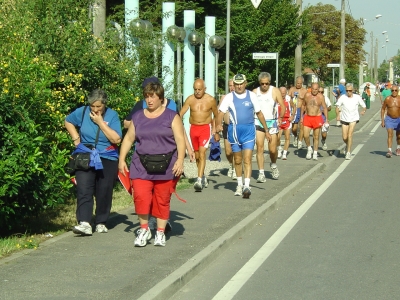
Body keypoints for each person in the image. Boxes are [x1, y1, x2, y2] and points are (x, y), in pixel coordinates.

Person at [118, 83, 186, 247]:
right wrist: (121, 159)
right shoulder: (139, 116)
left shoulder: (171, 116)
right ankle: (144, 229)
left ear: (161, 98)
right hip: (141, 164)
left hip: (166, 164)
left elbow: (180, 140)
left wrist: (180, 160)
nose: (149, 100)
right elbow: (128, 139)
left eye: (153, 96)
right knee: (141, 197)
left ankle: (160, 232)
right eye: (147, 96)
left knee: (162, 199)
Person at [65, 89, 122, 235]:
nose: (95, 109)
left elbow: (116, 139)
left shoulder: (112, 115)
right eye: (93, 106)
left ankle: (101, 221)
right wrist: (76, 139)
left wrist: (100, 123)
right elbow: (68, 121)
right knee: (84, 188)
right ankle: (84, 222)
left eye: (99, 106)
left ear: (105, 104)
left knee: (104, 190)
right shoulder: (82, 112)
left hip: (107, 157)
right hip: (85, 155)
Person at [216, 73, 270, 198]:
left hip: (248, 131)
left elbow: (259, 113)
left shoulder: (252, 96)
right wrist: (217, 126)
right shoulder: (229, 97)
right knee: (238, 160)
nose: (239, 86)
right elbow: (220, 113)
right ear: (233, 85)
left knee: (247, 159)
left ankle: (247, 185)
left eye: (241, 84)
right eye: (237, 84)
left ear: (245, 83)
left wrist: (266, 129)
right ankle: (239, 185)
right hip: (234, 131)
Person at [179, 78, 219, 192]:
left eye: (199, 89)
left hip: (205, 128)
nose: (197, 92)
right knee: (197, 156)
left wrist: (215, 131)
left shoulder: (211, 100)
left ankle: (199, 179)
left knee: (202, 153)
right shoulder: (190, 99)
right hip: (193, 129)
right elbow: (180, 114)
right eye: (195, 89)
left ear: (204, 89)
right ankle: (203, 176)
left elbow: (216, 116)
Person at [253, 72, 285, 181]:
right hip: (258, 122)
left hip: (272, 122)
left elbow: (283, 106)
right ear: (259, 83)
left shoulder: (274, 91)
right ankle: (261, 173)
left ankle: (274, 164)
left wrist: (280, 117)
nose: (264, 86)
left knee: (272, 150)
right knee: (260, 147)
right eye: (262, 84)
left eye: (266, 83)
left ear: (269, 83)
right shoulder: (255, 92)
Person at [335, 83, 366, 160]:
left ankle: (348, 152)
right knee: (344, 137)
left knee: (350, 135)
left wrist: (363, 111)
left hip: (353, 118)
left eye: (350, 90)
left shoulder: (357, 97)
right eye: (347, 90)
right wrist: (338, 115)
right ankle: (347, 144)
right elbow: (337, 106)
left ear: (353, 90)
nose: (348, 92)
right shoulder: (343, 97)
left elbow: (364, 106)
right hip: (344, 118)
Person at [301, 82, 329, 160]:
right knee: (305, 135)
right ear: (311, 88)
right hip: (307, 116)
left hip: (317, 117)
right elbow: (303, 105)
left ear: (318, 89)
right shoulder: (307, 95)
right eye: (313, 89)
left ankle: (315, 153)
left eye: (316, 89)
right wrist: (301, 117)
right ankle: (309, 148)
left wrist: (326, 119)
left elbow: (325, 107)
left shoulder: (321, 97)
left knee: (316, 136)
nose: (314, 91)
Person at [219, 79, 237, 179]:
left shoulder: (240, 97)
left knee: (236, 150)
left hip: (237, 126)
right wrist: (217, 124)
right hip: (227, 126)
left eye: (233, 85)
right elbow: (219, 111)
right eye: (230, 85)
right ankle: (231, 164)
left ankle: (235, 168)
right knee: (228, 151)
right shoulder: (224, 98)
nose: (232, 87)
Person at [380, 85, 400, 157]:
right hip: (389, 119)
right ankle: (389, 150)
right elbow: (383, 109)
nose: (394, 92)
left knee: (398, 136)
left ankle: (398, 148)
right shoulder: (388, 99)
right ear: (391, 91)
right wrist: (382, 120)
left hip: (398, 119)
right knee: (390, 134)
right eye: (392, 90)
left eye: (396, 90)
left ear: (398, 91)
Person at [289, 76, 307, 149]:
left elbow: (306, 101)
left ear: (302, 83)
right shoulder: (292, 89)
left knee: (301, 126)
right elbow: (288, 98)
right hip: (294, 110)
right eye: (297, 83)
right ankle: (296, 136)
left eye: (300, 83)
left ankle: (300, 142)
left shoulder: (304, 91)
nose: (298, 84)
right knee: (294, 128)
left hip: (301, 109)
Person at [277, 86, 293, 160]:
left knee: (287, 137)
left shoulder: (288, 99)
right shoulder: (276, 98)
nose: (282, 94)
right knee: (277, 137)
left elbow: (294, 107)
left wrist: (292, 116)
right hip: (279, 120)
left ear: (286, 93)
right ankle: (279, 149)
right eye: (281, 93)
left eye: (284, 93)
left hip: (287, 120)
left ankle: (284, 153)